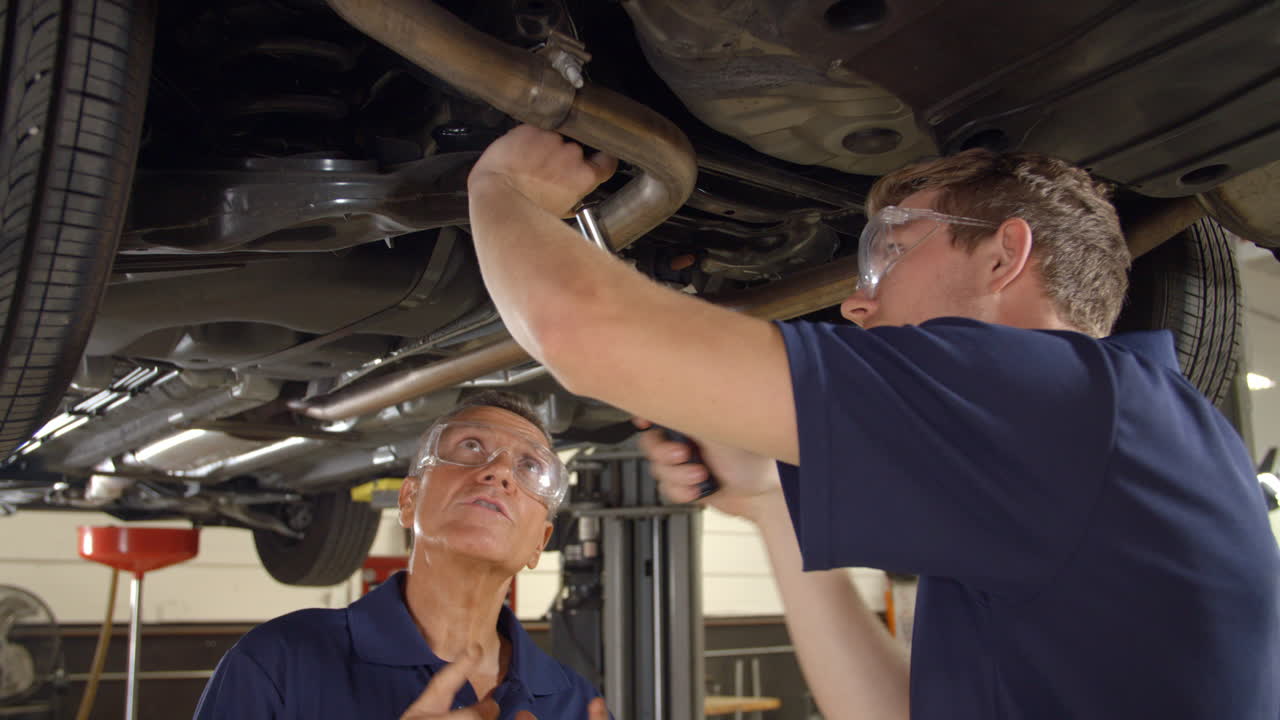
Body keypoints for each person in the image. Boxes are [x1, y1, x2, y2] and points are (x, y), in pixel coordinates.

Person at [464, 125, 1280, 719]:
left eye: (887, 254)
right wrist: (770, 507)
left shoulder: (1067, 405)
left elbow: (583, 330)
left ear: (1005, 256)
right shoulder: (1080, 445)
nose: (856, 303)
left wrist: (502, 189)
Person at [194, 391, 610, 720]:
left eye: (530, 467)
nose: (500, 471)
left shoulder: (573, 704)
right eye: (471, 445)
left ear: (540, 542)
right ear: (409, 499)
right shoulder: (281, 661)